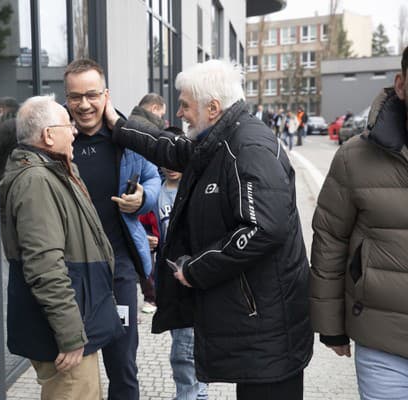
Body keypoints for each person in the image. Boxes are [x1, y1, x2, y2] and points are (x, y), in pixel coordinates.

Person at [103, 59, 313, 400]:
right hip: (260, 324)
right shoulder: (221, 139)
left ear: (212, 108)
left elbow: (263, 229)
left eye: (185, 105)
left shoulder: (248, 148)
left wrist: (196, 269)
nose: (181, 113)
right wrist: (119, 126)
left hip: (269, 330)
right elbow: (170, 148)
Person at [0, 95, 124, 400]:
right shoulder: (37, 181)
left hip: (75, 325)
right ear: (47, 135)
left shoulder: (54, 171)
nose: (75, 131)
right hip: (64, 336)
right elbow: (44, 266)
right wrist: (70, 336)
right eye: (67, 124)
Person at [310, 46, 408, 400]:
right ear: (401, 85)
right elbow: (330, 239)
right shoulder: (354, 156)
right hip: (383, 346)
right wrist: (331, 326)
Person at [64, 59, 161, 400]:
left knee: (122, 363)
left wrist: (143, 198)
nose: (84, 104)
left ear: (105, 94)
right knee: (76, 367)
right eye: (75, 97)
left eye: (92, 94)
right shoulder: (58, 137)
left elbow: (153, 179)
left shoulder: (127, 135)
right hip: (71, 270)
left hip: (118, 266)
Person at [153, 126, 208, 400]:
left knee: (185, 360)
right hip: (171, 289)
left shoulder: (197, 190)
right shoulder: (156, 192)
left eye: (177, 160)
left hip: (191, 287)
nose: (170, 167)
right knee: (189, 360)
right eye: (166, 160)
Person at [129, 92, 167, 314]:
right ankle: (152, 296)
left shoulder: (129, 124)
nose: (162, 118)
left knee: (146, 241)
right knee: (151, 241)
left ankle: (151, 296)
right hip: (145, 195)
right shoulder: (149, 129)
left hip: (138, 192)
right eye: (161, 114)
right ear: (154, 109)